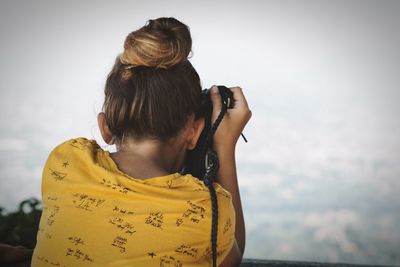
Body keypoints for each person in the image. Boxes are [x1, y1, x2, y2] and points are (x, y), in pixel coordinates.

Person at [31, 17, 251, 267]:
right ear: (194, 132)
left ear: (105, 126)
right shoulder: (206, 212)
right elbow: (229, 257)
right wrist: (224, 146)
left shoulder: (66, 162)